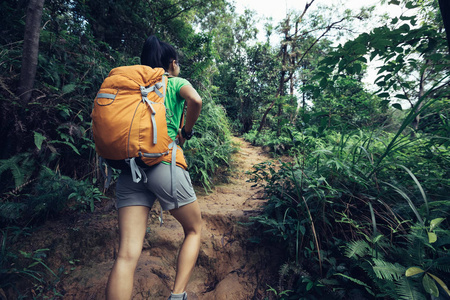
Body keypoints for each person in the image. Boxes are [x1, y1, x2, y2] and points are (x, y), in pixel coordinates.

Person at [105, 35, 203, 300]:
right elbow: (196, 101)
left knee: (126, 254)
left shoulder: (134, 87)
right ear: (172, 64)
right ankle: (177, 295)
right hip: (164, 165)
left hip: (129, 169)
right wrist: (186, 131)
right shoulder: (174, 81)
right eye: (178, 63)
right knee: (194, 230)